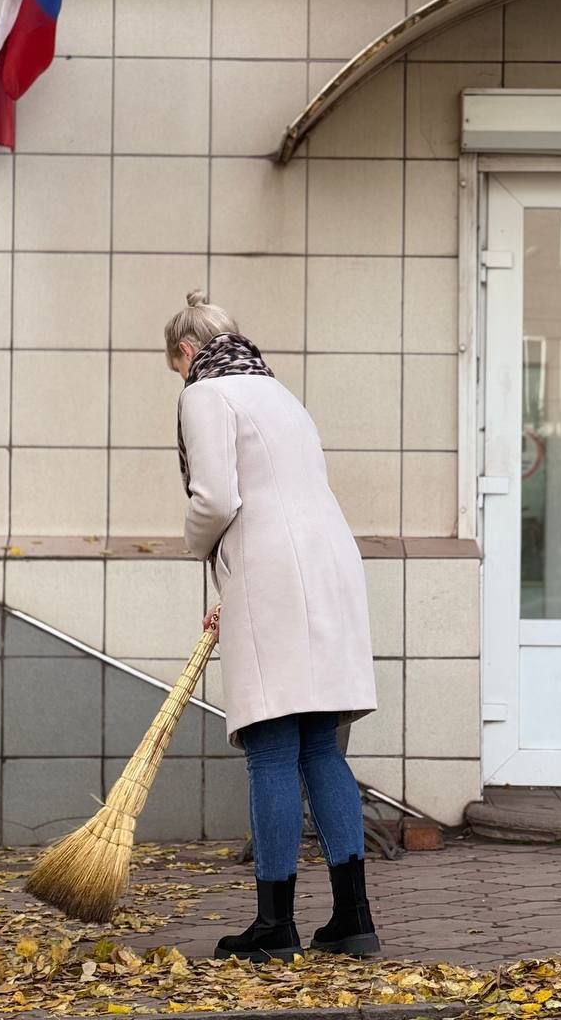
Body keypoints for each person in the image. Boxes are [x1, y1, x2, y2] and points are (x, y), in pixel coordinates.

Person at [165, 291, 380, 963]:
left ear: (186, 351)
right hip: (328, 565)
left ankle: (274, 924)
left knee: (269, 747)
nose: (177, 376)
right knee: (319, 746)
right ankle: (353, 919)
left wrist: (195, 546)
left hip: (270, 572)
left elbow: (220, 499)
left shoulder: (205, 395)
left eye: (174, 364)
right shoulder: (281, 394)